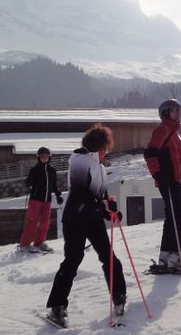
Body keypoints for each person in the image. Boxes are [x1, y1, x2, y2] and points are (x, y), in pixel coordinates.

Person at [45, 124, 127, 327]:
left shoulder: (100, 166)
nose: (107, 152)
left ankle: (119, 295)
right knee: (73, 260)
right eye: (106, 148)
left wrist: (110, 209)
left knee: (108, 256)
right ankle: (57, 306)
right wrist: (102, 206)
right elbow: (81, 192)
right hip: (75, 218)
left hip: (92, 219)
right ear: (99, 146)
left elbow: (100, 196)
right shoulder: (81, 159)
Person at [144, 99, 181, 269]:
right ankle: (174, 256)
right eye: (174, 110)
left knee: (173, 215)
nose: (177, 113)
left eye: (178, 110)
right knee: (179, 215)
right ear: (165, 113)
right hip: (167, 180)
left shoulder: (173, 132)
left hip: (175, 180)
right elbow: (150, 153)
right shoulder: (163, 130)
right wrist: (159, 174)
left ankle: (166, 256)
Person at [19, 147, 63, 253]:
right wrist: (29, 182)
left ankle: (39, 243)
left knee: (45, 223)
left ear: (49, 157)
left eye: (46, 156)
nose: (45, 158)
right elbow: (27, 182)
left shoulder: (52, 171)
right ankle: (24, 245)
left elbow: (54, 186)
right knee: (32, 222)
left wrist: (58, 195)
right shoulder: (34, 170)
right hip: (35, 200)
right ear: (38, 157)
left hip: (47, 200)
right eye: (42, 156)